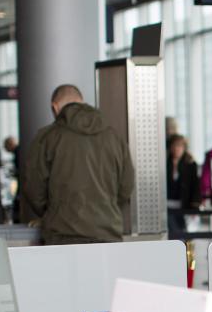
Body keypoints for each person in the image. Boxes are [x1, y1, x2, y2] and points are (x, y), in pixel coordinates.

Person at [21, 84, 134, 245]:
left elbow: (33, 187)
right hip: (108, 233)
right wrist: (107, 209)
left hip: (62, 235)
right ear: (81, 102)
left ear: (55, 107)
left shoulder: (47, 137)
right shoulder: (114, 136)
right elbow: (126, 185)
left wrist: (54, 212)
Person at [166, 134, 201, 239]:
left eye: (180, 146)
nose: (177, 149)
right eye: (175, 146)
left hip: (184, 205)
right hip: (168, 206)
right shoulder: (165, 163)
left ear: (184, 148)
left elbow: (195, 186)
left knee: (182, 233)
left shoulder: (191, 164)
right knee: (174, 234)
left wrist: (195, 207)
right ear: (170, 147)